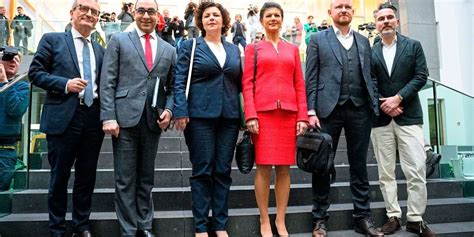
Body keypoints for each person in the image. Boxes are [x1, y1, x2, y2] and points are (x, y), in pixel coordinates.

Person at [305, 0, 382, 236]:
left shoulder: (363, 40)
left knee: (359, 165)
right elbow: (311, 77)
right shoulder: (317, 39)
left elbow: (370, 75)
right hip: (328, 109)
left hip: (360, 109)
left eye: (348, 7)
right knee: (323, 166)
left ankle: (362, 217)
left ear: (353, 12)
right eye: (339, 7)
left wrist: (373, 103)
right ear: (330, 13)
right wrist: (311, 110)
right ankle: (319, 218)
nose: (344, 10)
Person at [28, 0, 104, 236]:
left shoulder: (101, 49)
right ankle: (57, 227)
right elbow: (35, 73)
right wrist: (65, 84)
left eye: (94, 11)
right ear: (72, 13)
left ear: (98, 18)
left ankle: (81, 225)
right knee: (59, 176)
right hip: (63, 117)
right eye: (84, 8)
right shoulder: (52, 40)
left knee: (87, 175)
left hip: (93, 117)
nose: (89, 14)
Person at [100, 0, 175, 236]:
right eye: (141, 11)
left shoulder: (169, 49)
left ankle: (145, 225)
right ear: (133, 13)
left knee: (146, 178)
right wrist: (108, 116)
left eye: (151, 11)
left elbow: (173, 88)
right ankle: (128, 229)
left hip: (152, 121)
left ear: (157, 16)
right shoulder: (119, 41)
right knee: (125, 179)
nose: (146, 16)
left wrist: (170, 111)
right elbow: (108, 81)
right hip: (123, 120)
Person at [174, 2, 241, 237]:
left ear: (223, 21)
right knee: (202, 170)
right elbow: (179, 80)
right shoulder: (190, 46)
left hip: (229, 118)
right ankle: (201, 226)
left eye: (216, 15)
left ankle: (220, 225)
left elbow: (241, 83)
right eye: (206, 16)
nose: (211, 18)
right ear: (200, 22)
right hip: (199, 116)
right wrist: (180, 110)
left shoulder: (234, 50)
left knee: (222, 170)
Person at [242, 2, 308, 236]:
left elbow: (300, 85)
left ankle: (280, 219)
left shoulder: (292, 49)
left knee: (284, 170)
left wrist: (303, 116)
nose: (273, 19)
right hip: (263, 115)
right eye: (268, 15)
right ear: (261, 20)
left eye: (277, 15)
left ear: (282, 19)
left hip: (288, 115)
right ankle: (264, 220)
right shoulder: (254, 49)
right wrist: (250, 114)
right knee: (262, 169)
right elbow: (247, 83)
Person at [370, 3, 436, 236]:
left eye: (390, 17)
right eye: (381, 18)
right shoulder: (371, 51)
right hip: (380, 121)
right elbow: (368, 83)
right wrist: (384, 104)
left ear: (396, 21)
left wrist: (398, 99)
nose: (386, 21)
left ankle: (416, 219)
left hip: (409, 117)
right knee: (385, 173)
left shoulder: (413, 46)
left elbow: (421, 76)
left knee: (416, 170)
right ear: (376, 24)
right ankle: (393, 216)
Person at [0, 48, 28, 191]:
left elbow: (16, 110)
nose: (13, 61)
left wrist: (4, 82)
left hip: (5, 150)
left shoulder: (22, 86)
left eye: (17, 59)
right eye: (8, 58)